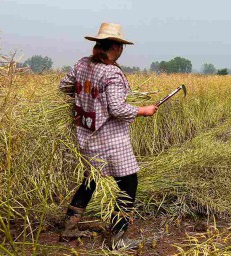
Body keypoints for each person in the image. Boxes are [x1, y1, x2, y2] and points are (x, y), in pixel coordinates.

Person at [58, 23, 158, 249]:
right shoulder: (111, 72)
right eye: (120, 47)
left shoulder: (83, 64)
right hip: (110, 141)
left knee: (90, 180)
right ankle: (118, 238)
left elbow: (64, 86)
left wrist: (86, 98)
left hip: (85, 135)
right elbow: (117, 109)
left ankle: (69, 228)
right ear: (115, 47)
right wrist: (143, 110)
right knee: (128, 183)